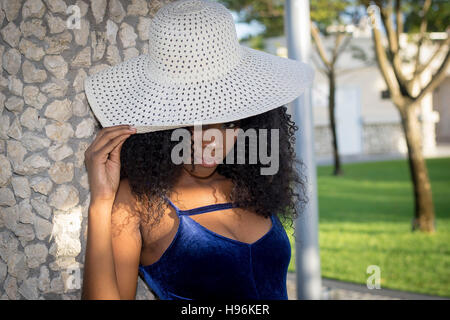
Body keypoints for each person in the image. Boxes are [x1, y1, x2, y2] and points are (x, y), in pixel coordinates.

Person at [81, 0, 313, 300]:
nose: (210, 141)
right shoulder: (139, 200)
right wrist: (100, 203)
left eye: (227, 121)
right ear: (161, 125)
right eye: (190, 123)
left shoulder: (252, 184)